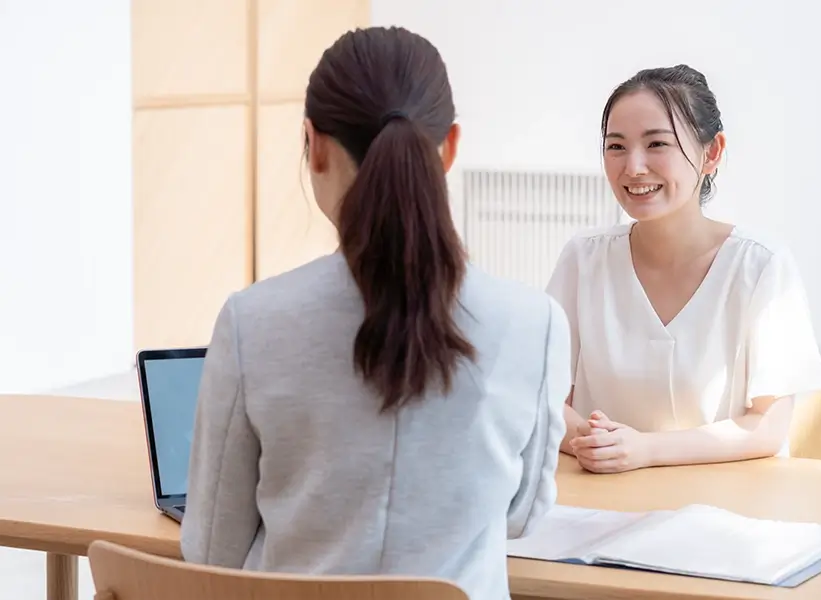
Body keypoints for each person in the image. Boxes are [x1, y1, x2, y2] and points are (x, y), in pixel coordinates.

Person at [180, 26, 570, 600]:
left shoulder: (253, 321)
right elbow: (517, 518)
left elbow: (213, 547)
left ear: (313, 145)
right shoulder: (534, 324)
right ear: (451, 147)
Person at [547, 64, 821, 474]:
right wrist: (590, 443)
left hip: (721, 510)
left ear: (711, 152)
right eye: (616, 147)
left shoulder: (760, 265)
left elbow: (767, 427)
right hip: (599, 503)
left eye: (657, 144)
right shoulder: (583, 258)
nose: (634, 167)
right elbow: (541, 396)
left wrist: (644, 450)